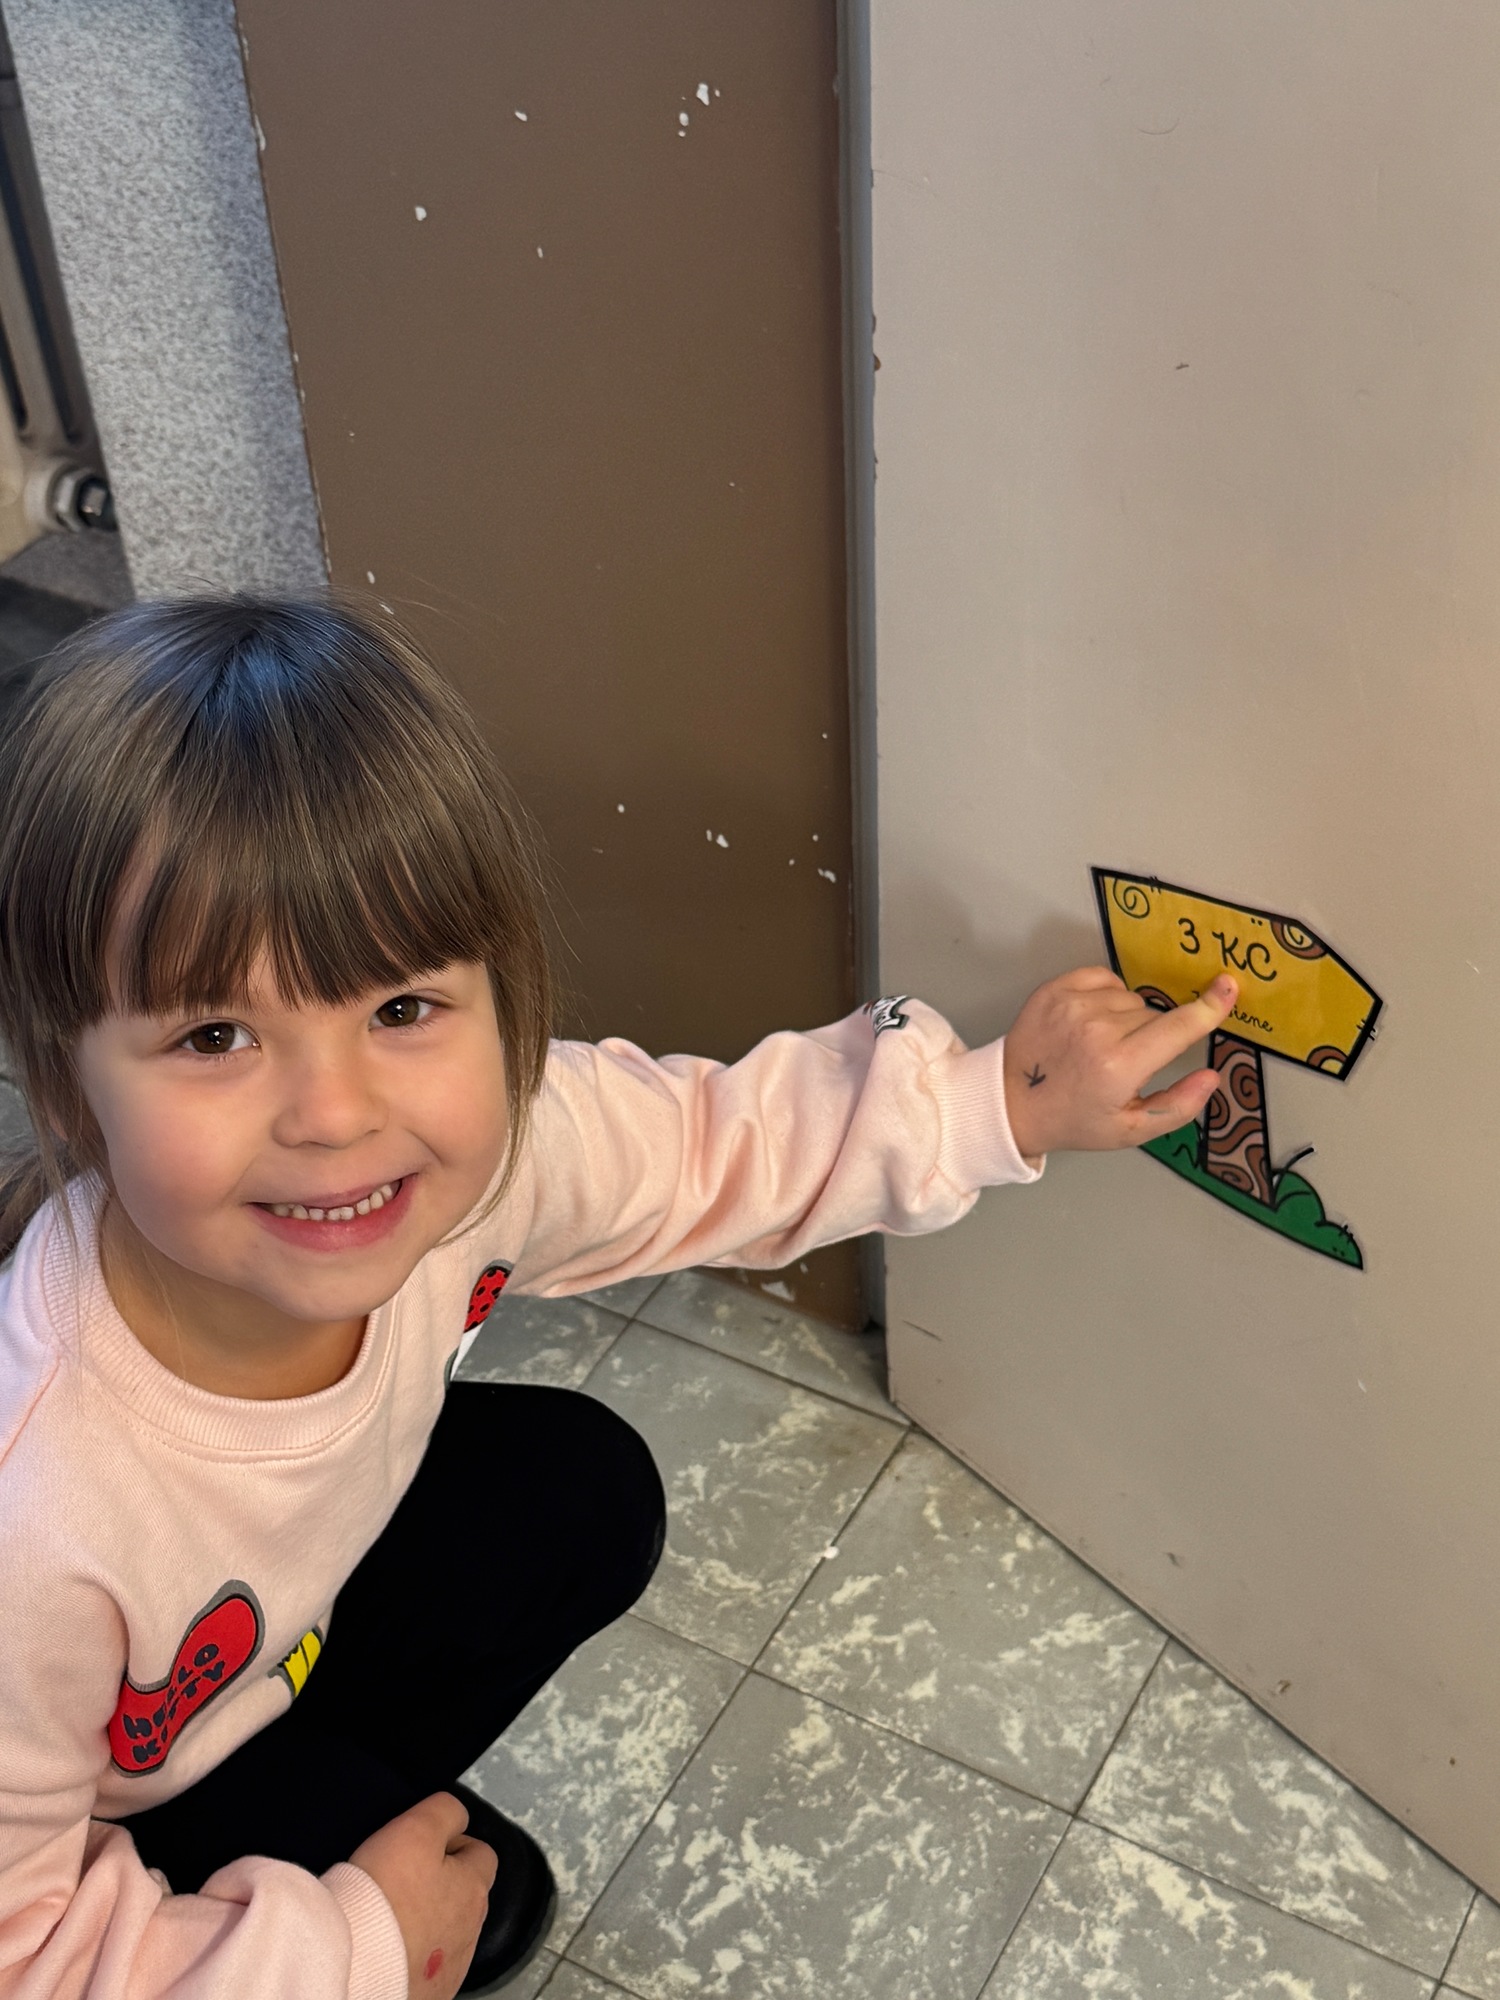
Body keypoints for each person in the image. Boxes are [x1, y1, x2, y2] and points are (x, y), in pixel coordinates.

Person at [0, 596, 1236, 2000]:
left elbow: (711, 1146)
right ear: (66, 1085)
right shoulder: (35, 1524)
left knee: (577, 1491)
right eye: (216, 1034)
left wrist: (995, 1100)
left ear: (501, 1001)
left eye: (400, 1009)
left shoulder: (488, 1159)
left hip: (256, 1650)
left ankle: (331, 1810)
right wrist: (350, 1952)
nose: (336, 1115)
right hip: (98, 1819)